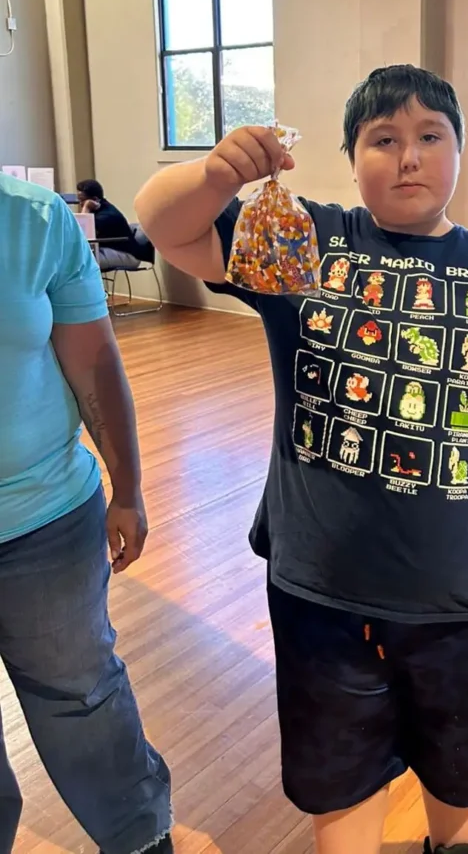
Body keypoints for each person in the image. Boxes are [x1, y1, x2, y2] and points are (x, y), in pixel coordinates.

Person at [135, 66, 468, 854]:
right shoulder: (302, 244)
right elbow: (166, 230)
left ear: (459, 153)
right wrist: (213, 175)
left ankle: (456, 846)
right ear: (351, 159)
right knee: (335, 766)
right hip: (322, 597)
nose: (408, 156)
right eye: (383, 139)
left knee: (459, 762)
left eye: (429, 137)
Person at [0, 172, 172, 854]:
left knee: (82, 697)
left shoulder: (34, 219)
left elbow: (96, 359)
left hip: (46, 518)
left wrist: (126, 486)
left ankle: (137, 837)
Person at [76, 179, 140, 272]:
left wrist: (86, 208)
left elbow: (83, 234)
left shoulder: (107, 215)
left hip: (129, 256)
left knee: (82, 261)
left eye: (82, 201)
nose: (80, 204)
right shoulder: (100, 210)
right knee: (76, 258)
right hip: (112, 249)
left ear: (94, 200)